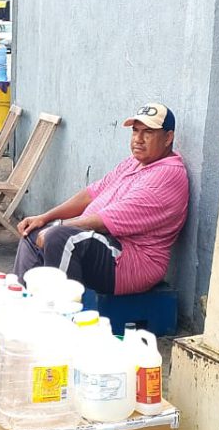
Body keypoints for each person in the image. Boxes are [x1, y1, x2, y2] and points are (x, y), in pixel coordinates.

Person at [15, 102, 189, 295]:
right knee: (32, 232)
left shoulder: (168, 174)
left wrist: (58, 227)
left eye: (148, 132)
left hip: (132, 261)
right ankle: (24, 303)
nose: (138, 139)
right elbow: (91, 194)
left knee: (60, 238)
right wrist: (44, 218)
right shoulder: (134, 163)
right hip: (105, 242)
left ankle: (61, 315)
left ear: (168, 138)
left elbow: (105, 222)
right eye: (135, 131)